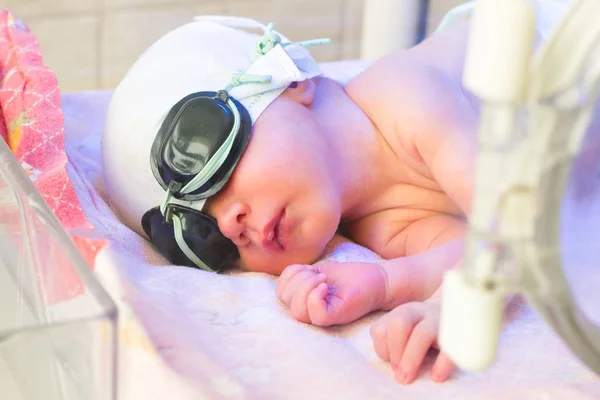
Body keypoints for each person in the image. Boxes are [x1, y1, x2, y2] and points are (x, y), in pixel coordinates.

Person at [101, 13, 506, 386]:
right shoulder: (380, 228)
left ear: (291, 81)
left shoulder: (405, 93)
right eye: (201, 238)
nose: (229, 226)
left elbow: (518, 221)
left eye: (215, 164)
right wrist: (383, 283)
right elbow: (479, 251)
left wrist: (458, 304)